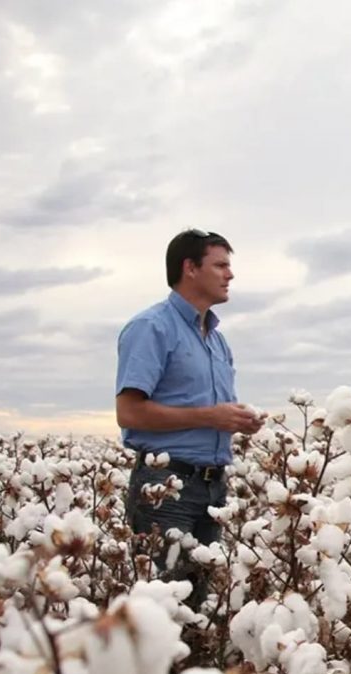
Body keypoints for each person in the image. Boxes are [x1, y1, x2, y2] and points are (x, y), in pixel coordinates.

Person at [116, 229, 262, 604]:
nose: (230, 275)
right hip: (166, 487)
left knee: (194, 610)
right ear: (190, 268)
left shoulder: (216, 339)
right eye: (221, 265)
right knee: (164, 609)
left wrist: (236, 421)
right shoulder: (152, 327)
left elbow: (205, 413)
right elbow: (129, 411)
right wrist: (212, 417)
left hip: (213, 487)